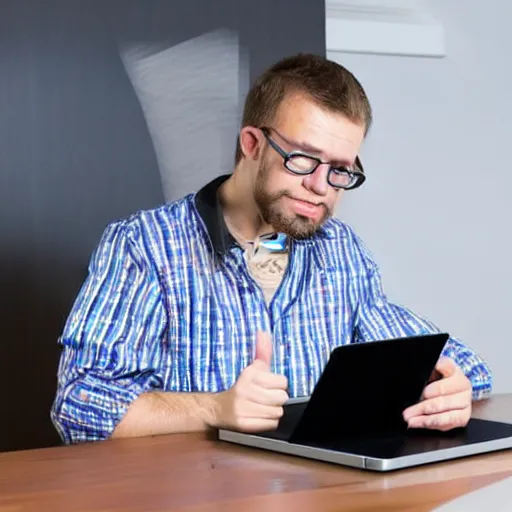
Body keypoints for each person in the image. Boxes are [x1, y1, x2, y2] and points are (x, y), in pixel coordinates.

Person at [51, 53, 491, 444]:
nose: (320, 188)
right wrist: (215, 410)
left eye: (340, 170)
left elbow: (459, 364)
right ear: (252, 144)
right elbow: (78, 407)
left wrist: (450, 387)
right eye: (302, 159)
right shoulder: (143, 246)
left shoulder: (341, 251)